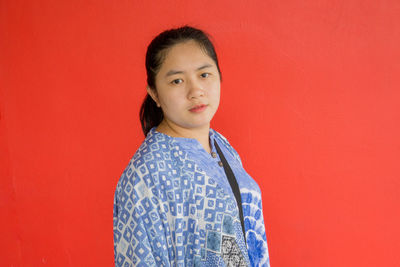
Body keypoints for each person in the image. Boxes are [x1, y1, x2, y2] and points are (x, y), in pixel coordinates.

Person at [113, 26, 270, 267]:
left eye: (204, 74)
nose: (195, 90)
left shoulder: (221, 145)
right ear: (154, 93)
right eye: (177, 80)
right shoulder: (145, 175)